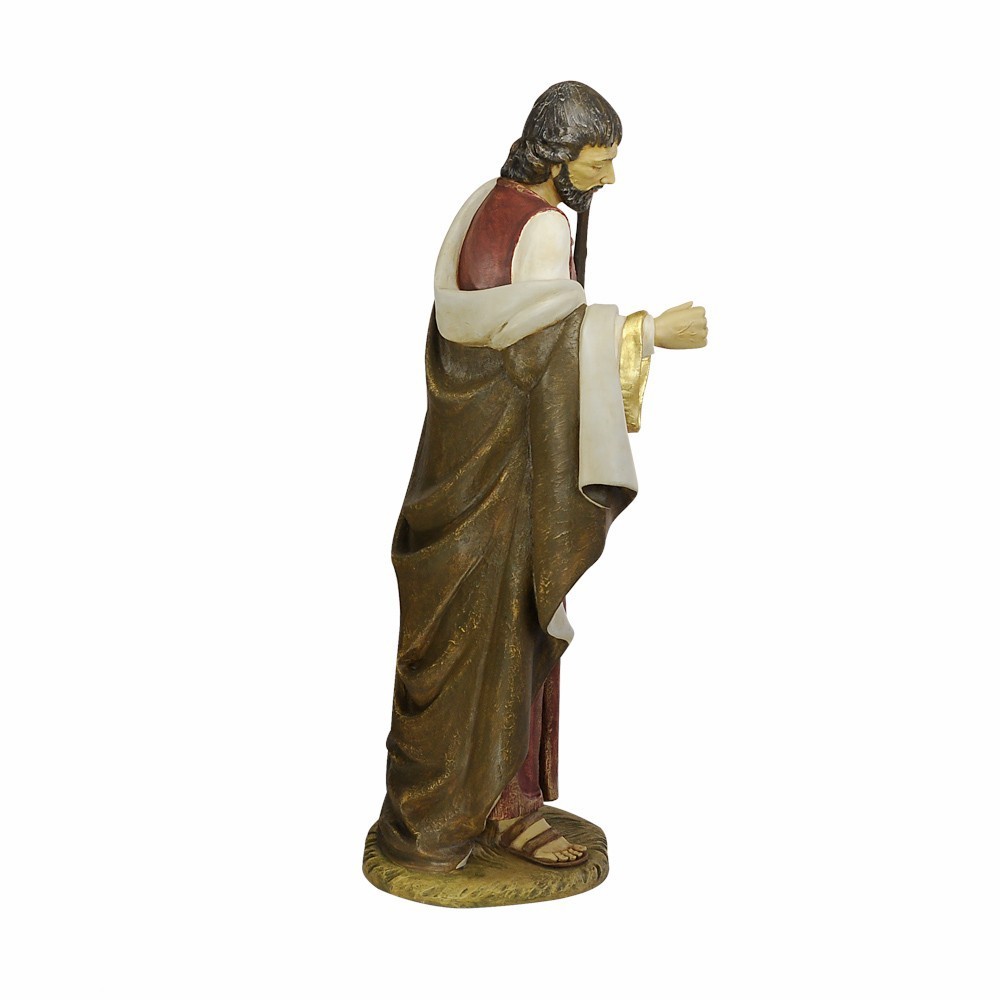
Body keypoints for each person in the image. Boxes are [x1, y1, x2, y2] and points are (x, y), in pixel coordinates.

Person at [376, 81, 708, 873]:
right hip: (502, 481)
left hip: (452, 468)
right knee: (505, 633)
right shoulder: (546, 229)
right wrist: (650, 332)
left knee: (461, 642)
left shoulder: (481, 204)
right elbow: (540, 357)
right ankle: (506, 810)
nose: (609, 178)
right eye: (598, 162)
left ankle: (438, 807)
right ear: (557, 158)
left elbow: (488, 335)